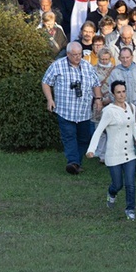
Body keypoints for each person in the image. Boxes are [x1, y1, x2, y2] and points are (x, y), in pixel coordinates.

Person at [42, 42, 103, 174]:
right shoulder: (57, 65)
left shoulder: (87, 66)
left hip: (84, 111)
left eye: (79, 54)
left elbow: (96, 83)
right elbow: (46, 81)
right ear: (68, 54)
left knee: (84, 138)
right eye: (74, 55)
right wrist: (50, 99)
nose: (77, 57)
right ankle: (72, 161)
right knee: (69, 136)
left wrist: (98, 99)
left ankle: (76, 163)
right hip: (65, 111)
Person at [86, 80, 136, 220]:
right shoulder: (109, 111)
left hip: (129, 153)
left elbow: (133, 126)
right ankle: (111, 193)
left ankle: (130, 209)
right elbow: (98, 131)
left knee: (130, 183)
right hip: (113, 154)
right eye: (118, 92)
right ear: (113, 94)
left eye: (123, 91)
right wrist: (91, 150)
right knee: (118, 184)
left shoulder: (131, 107)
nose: (122, 95)